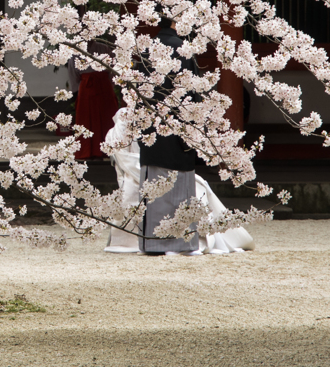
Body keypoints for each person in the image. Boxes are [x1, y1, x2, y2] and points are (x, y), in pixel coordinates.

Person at [103, 17, 254, 255]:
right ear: (175, 23)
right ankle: (181, 242)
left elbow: (135, 91)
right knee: (179, 186)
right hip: (178, 128)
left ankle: (152, 242)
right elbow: (193, 93)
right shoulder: (184, 49)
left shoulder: (145, 48)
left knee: (152, 184)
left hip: (151, 129)